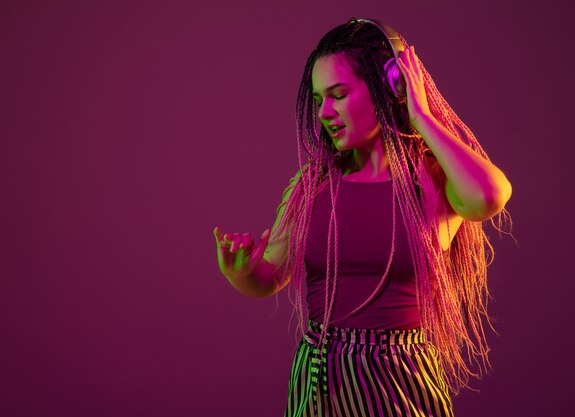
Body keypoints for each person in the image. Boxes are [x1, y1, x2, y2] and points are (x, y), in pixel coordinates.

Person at [213, 17, 512, 417]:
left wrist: (419, 115)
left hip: (402, 381)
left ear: (386, 89)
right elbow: (271, 275)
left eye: (338, 95)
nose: (325, 112)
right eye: (319, 99)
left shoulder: (433, 180)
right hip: (321, 381)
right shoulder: (311, 184)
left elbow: (490, 196)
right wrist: (243, 273)